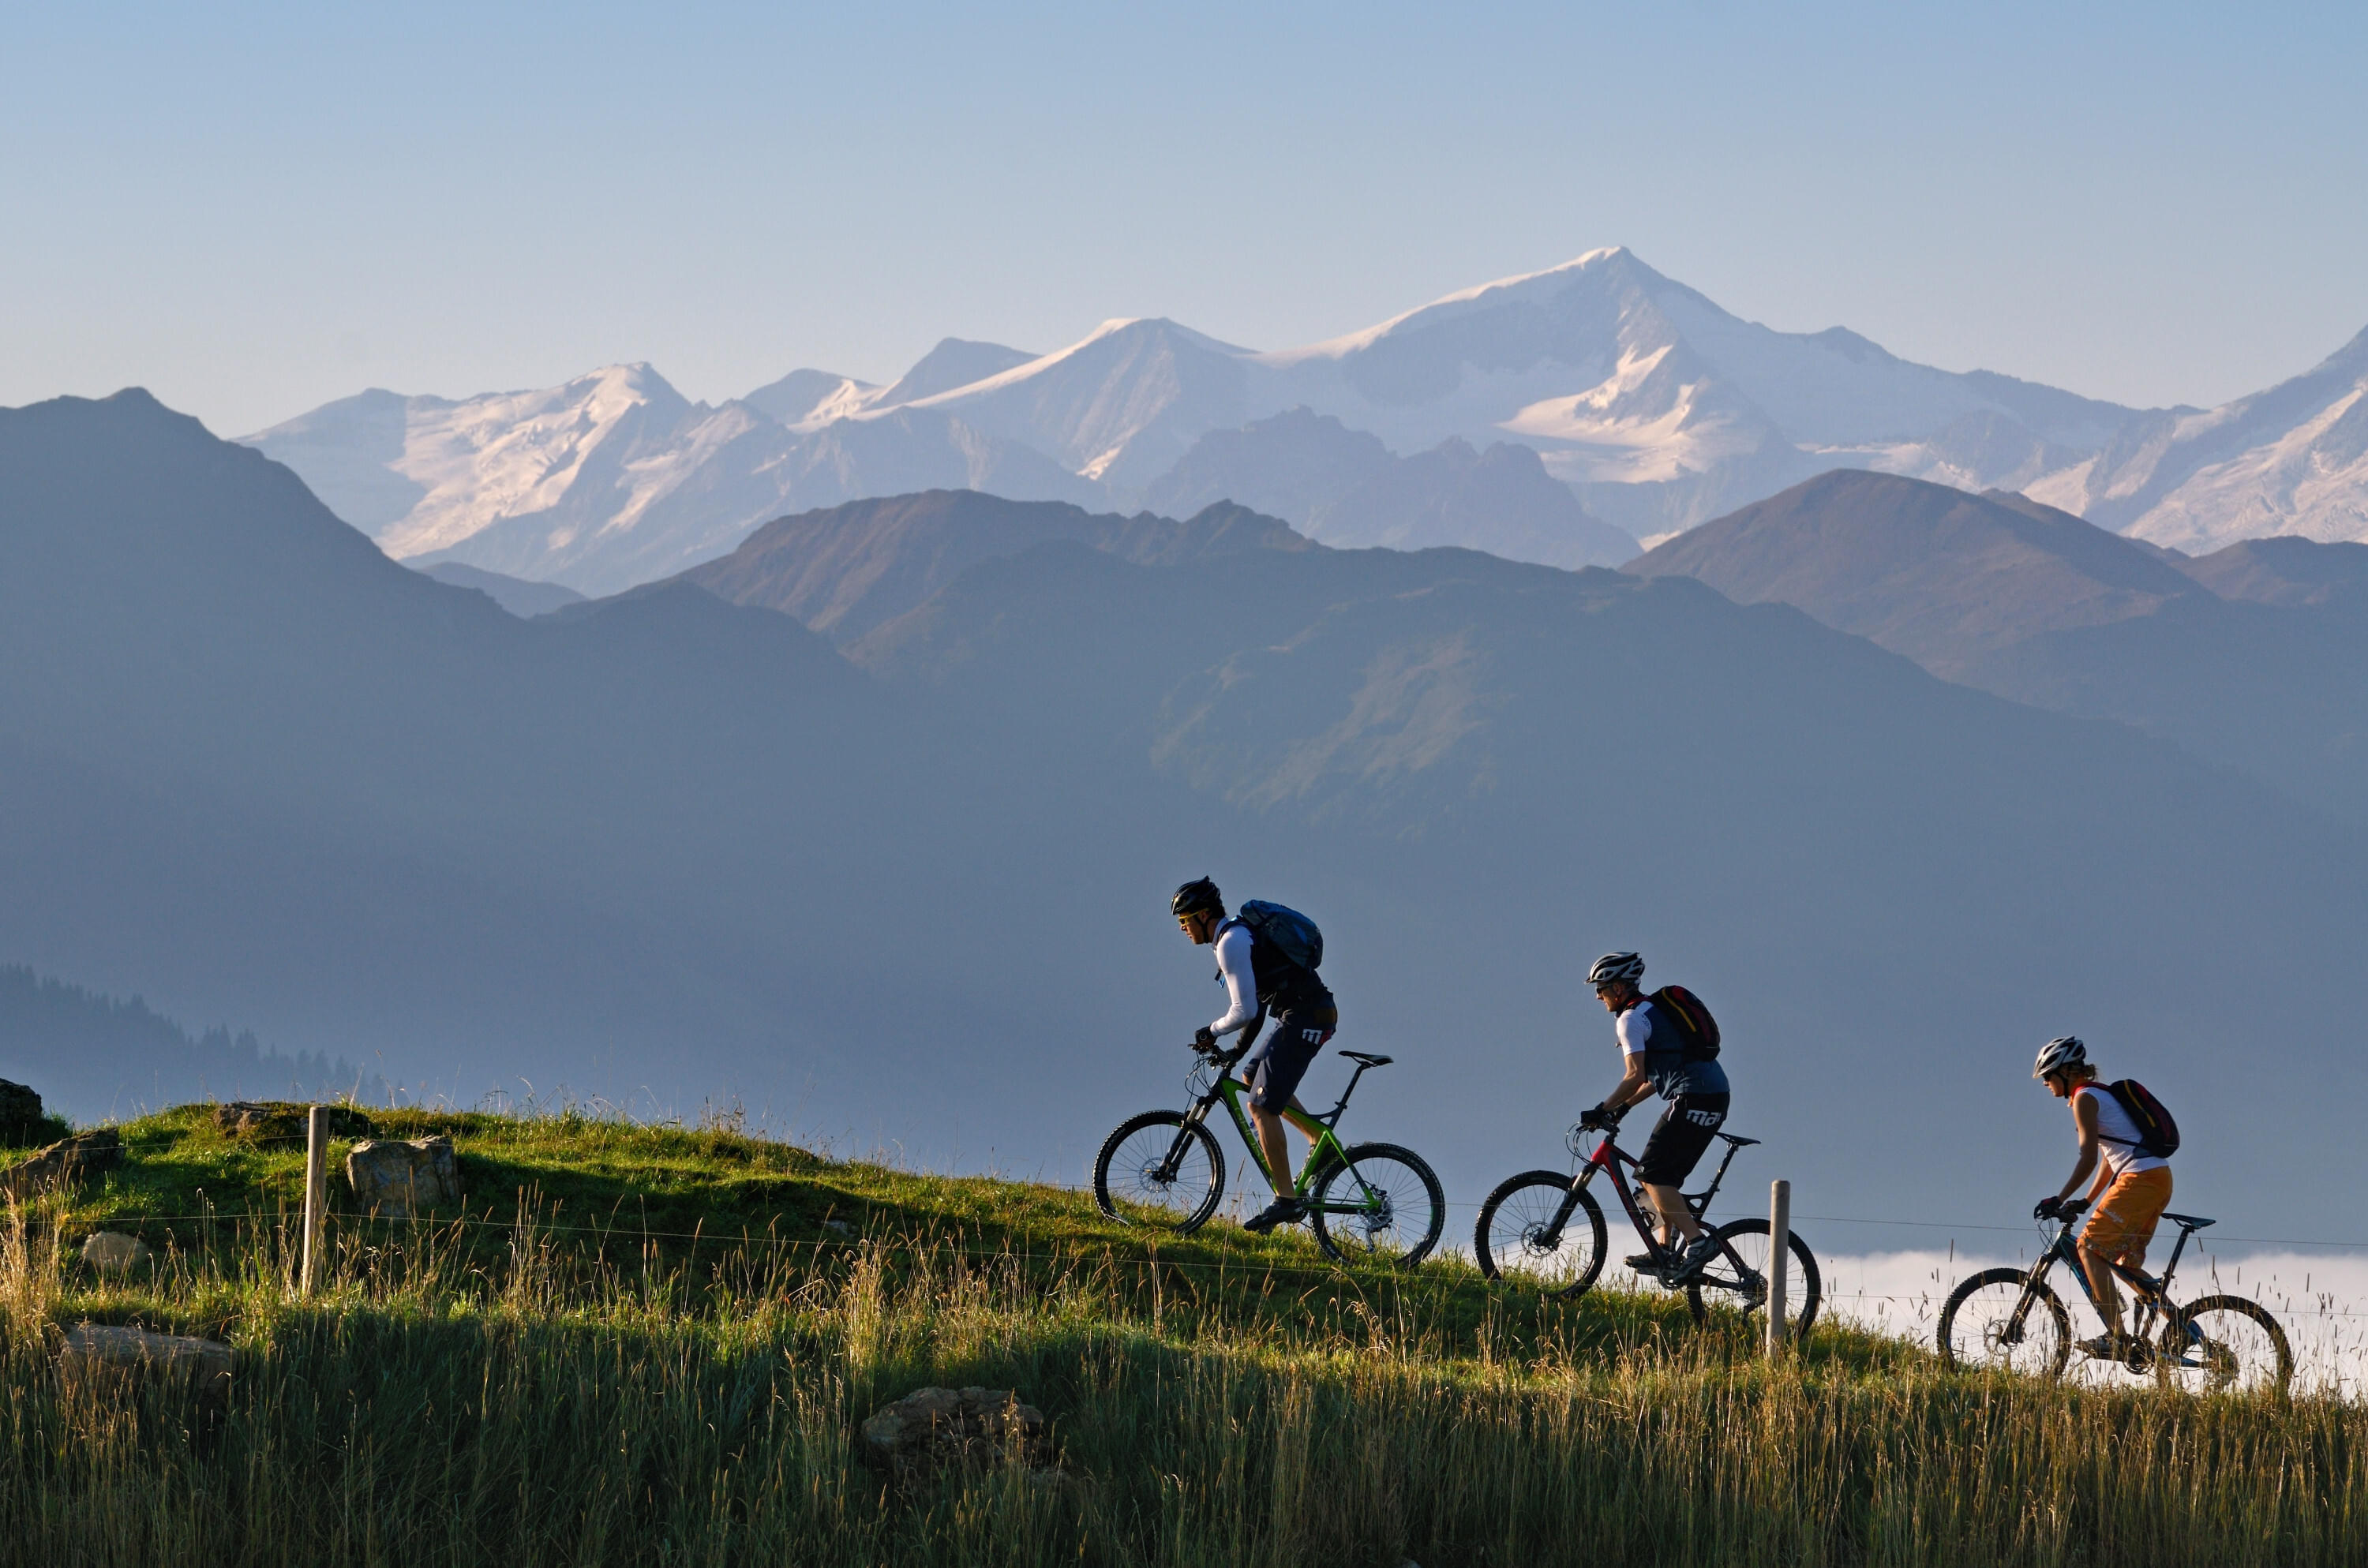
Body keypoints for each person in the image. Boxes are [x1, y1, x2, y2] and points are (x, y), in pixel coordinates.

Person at [1171, 877, 1338, 1233]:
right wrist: (1234, 1053)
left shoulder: (1230, 943)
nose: (1183, 929)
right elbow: (1257, 1011)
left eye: (1185, 921)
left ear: (1203, 915)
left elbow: (1244, 1010)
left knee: (1261, 1106)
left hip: (1306, 1017)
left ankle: (1286, 1200)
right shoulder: (1237, 937)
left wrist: (1211, 1031)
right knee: (1250, 1078)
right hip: (1302, 1014)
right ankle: (1317, 1143)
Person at [1576, 951, 1730, 1278]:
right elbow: (1651, 1079)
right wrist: (1623, 1108)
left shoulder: (1630, 1019)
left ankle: (1698, 1243)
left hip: (1696, 1096)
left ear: (1618, 988)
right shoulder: (1653, 1010)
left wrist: (1600, 1109)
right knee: (1659, 1178)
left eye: (1601, 987)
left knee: (1653, 1173)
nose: (1597, 995)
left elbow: (1633, 1075)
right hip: (1711, 1094)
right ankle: (1663, 1249)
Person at [2031, 1035, 2173, 1357]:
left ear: (2066, 1072)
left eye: (2048, 1076)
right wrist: (2085, 1201)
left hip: (2139, 1180)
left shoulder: (2084, 1099)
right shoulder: (2099, 1095)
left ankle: (2117, 1338)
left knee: (2088, 1249)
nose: (2045, 1083)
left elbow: (2089, 1158)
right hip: (2156, 1178)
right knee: (2127, 1266)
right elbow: (2111, 1158)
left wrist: (2059, 1197)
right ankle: (2181, 1324)